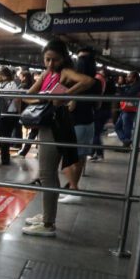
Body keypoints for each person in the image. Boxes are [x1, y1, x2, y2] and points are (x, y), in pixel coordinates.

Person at [21, 40, 94, 237]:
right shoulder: (46, 74)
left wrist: (64, 95)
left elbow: (88, 81)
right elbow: (28, 95)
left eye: (55, 59)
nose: (51, 64)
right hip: (46, 124)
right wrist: (45, 99)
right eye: (47, 59)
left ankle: (47, 224)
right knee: (48, 172)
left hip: (57, 125)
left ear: (64, 58)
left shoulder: (65, 73)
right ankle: (47, 215)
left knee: (46, 173)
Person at [61, 50, 104, 203]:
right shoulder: (97, 82)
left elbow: (69, 105)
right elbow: (98, 104)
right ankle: (73, 189)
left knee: (66, 160)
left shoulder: (73, 80)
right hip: (89, 122)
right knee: (79, 159)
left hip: (74, 123)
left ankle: (74, 190)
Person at [0, 66, 22, 165]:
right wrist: (19, 113)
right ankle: (5, 158)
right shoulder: (12, 84)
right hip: (9, 114)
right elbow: (17, 99)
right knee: (6, 136)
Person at [90, 64, 115, 161]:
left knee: (95, 133)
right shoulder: (110, 84)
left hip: (100, 111)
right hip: (105, 111)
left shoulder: (101, 82)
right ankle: (94, 153)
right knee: (97, 133)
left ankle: (99, 154)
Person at [115, 72, 140, 147]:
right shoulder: (132, 86)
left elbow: (126, 95)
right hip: (125, 109)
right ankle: (126, 141)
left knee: (126, 127)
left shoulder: (137, 86)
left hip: (130, 110)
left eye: (129, 77)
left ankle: (126, 145)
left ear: (134, 78)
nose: (127, 78)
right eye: (127, 77)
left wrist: (118, 87)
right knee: (117, 127)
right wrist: (119, 86)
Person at [15, 68, 36, 157]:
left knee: (19, 127)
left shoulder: (22, 86)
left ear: (24, 77)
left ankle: (19, 146)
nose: (19, 78)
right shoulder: (34, 85)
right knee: (33, 131)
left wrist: (18, 110)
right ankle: (23, 149)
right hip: (34, 110)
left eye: (20, 76)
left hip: (24, 110)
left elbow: (18, 99)